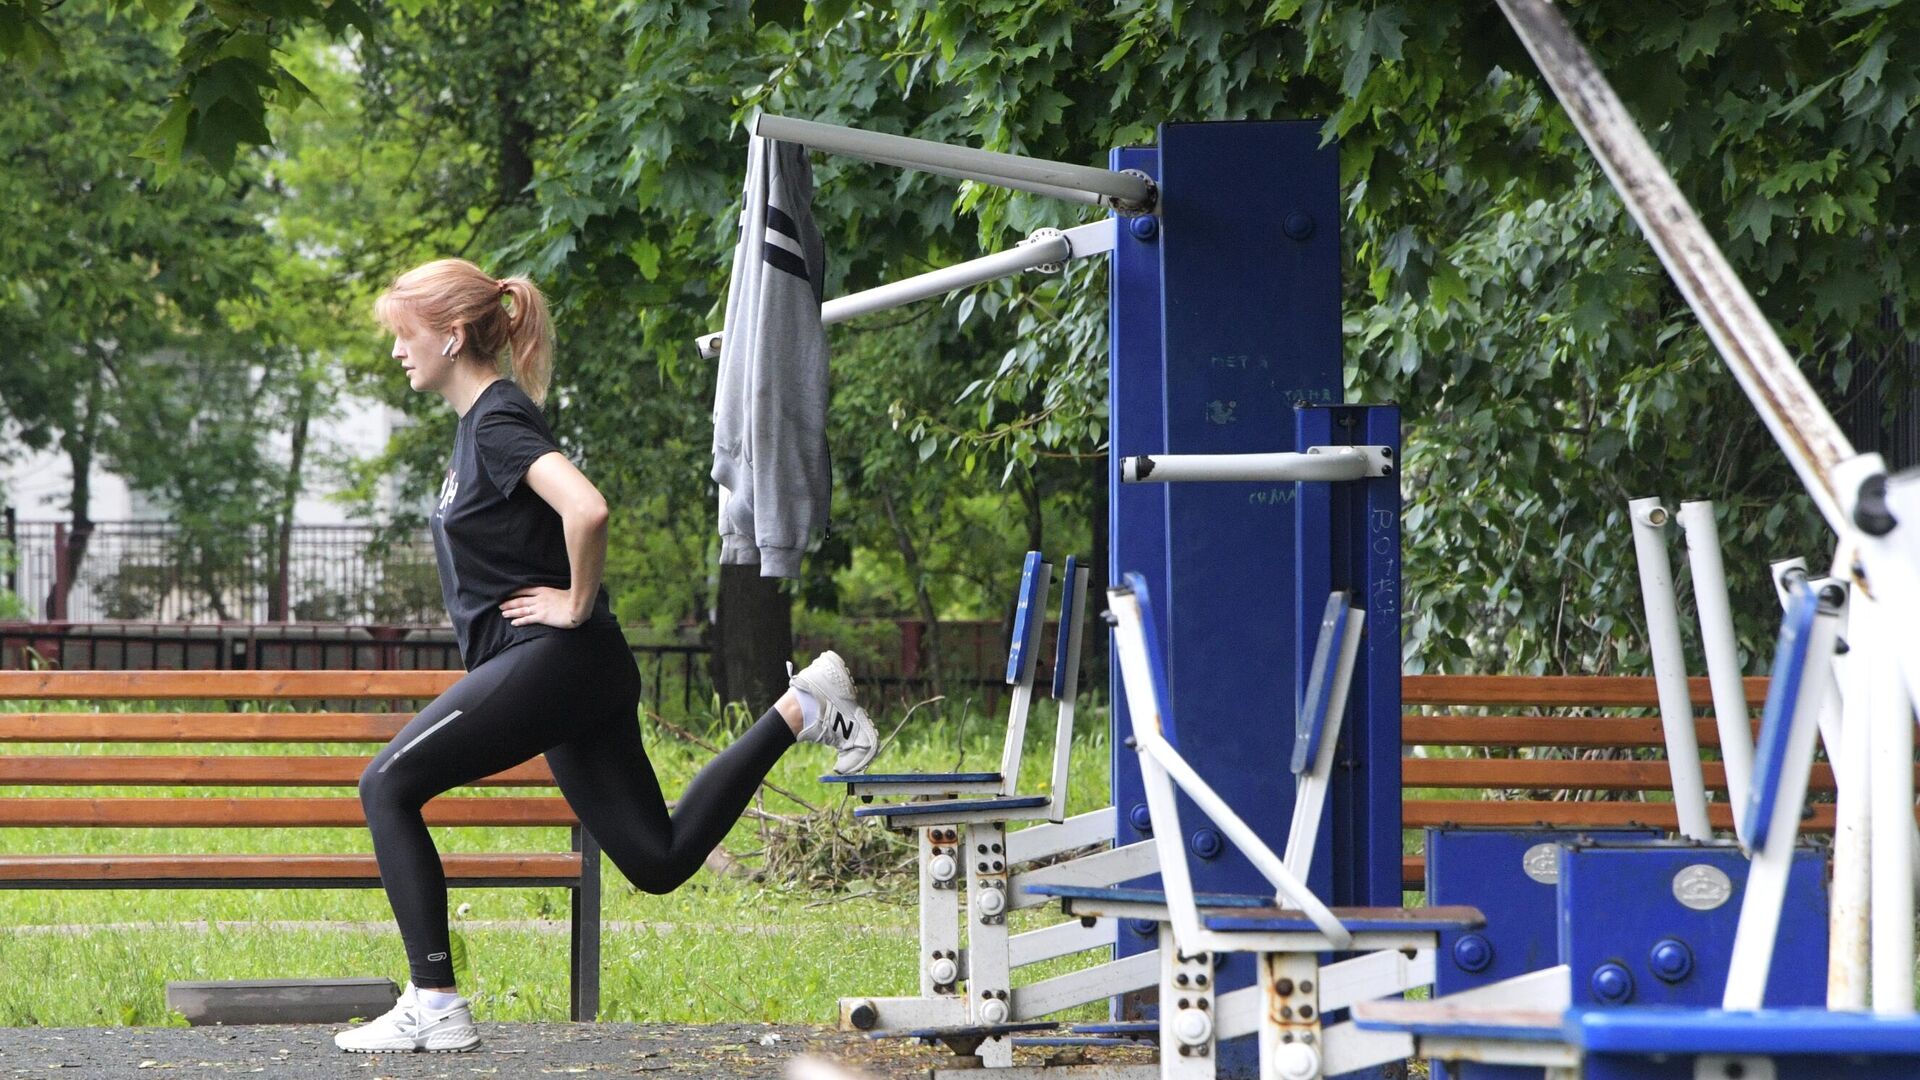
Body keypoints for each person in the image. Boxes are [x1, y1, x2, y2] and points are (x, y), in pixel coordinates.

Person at [334, 258, 877, 1054]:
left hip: (555, 658)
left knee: (385, 785)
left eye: (403, 335)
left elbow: (586, 508)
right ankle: (803, 708)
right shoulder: (481, 422)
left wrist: (575, 602)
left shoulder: (495, 421)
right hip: (574, 670)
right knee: (656, 860)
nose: (395, 352)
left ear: (452, 336)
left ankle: (435, 1000)